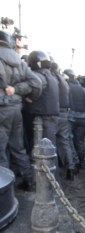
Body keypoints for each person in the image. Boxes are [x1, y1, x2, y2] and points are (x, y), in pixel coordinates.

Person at [0, 30, 41, 191]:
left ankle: (5, 192)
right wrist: (17, 90)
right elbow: (36, 83)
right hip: (16, 108)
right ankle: (29, 180)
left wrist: (12, 89)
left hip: (2, 109)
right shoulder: (20, 61)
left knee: (1, 152)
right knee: (18, 148)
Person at [63, 68, 85, 171]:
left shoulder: (66, 87)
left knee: (68, 139)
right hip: (82, 117)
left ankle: (74, 162)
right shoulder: (81, 88)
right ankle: (82, 160)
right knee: (80, 141)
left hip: (70, 115)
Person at [50, 60, 76, 180]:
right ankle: (70, 168)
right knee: (65, 142)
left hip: (55, 113)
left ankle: (53, 172)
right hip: (65, 113)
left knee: (51, 143)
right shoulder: (63, 81)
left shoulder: (52, 79)